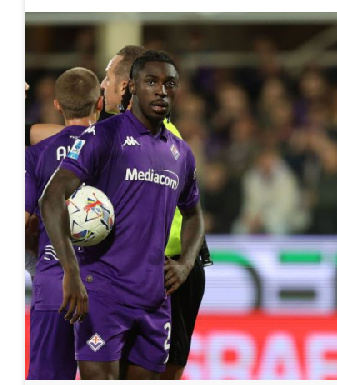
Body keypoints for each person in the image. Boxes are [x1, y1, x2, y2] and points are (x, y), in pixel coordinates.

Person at [39, 50, 205, 380]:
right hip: (102, 295)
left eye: (169, 84)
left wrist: (186, 264)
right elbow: (52, 198)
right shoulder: (104, 136)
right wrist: (70, 271)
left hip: (156, 300)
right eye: (151, 82)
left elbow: (195, 216)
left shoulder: (181, 153)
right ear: (132, 87)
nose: (161, 91)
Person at [101, 45, 212, 380]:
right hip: (138, 272)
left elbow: (194, 214)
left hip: (171, 271)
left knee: (165, 370)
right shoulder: (117, 133)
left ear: (125, 86)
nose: (102, 85)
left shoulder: (163, 142)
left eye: (106, 77)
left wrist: (185, 264)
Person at [25, 67, 103, 379]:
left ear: (57, 105)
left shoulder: (37, 155)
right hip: (105, 294)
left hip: (54, 290)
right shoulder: (121, 152)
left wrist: (40, 260)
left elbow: (22, 224)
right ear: (99, 103)